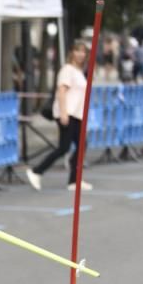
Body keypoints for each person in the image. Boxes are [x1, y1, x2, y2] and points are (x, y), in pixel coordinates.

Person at [25, 41, 93, 192]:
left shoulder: (79, 71)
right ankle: (37, 171)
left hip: (77, 114)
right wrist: (63, 113)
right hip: (67, 113)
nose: (81, 54)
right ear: (72, 52)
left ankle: (74, 180)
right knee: (64, 147)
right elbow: (61, 91)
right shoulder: (67, 70)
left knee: (81, 145)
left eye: (83, 52)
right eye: (78, 51)